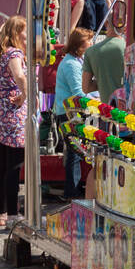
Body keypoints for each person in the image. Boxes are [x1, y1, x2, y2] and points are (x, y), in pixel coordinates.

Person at [0, 15, 27, 228]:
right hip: (13, 112)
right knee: (14, 165)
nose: (26, 35)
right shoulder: (13, 53)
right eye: (24, 31)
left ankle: (2, 212)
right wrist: (24, 93)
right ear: (16, 32)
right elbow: (19, 75)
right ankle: (12, 213)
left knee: (4, 164)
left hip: (2, 111)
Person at [54, 28, 92, 200]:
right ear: (80, 45)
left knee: (74, 152)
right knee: (74, 153)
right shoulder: (71, 65)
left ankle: (72, 191)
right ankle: (72, 192)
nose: (91, 44)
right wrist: (98, 101)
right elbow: (78, 93)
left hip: (70, 111)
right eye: (88, 41)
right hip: (69, 113)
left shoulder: (75, 61)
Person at [82, 11, 126, 106]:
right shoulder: (129, 48)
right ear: (124, 26)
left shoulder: (91, 52)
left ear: (106, 24)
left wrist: (103, 81)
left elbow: (86, 88)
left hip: (108, 111)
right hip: (131, 112)